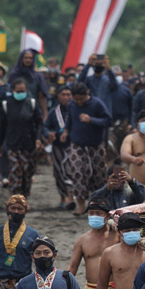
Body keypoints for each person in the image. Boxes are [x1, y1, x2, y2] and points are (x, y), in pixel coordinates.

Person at [60, 83, 112, 215]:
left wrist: (91, 120)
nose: (79, 101)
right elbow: (70, 120)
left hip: (95, 144)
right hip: (77, 144)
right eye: (76, 99)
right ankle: (81, 205)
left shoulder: (97, 104)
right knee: (77, 172)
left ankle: (98, 204)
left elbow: (108, 121)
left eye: (81, 99)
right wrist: (65, 131)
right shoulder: (72, 105)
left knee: (98, 175)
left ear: (87, 94)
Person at [0, 77, 44, 197]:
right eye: (18, 91)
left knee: (27, 173)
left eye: (23, 91)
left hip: (29, 145)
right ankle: (15, 197)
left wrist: (38, 138)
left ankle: (24, 197)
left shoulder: (32, 103)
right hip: (13, 145)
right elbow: (2, 126)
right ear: (12, 91)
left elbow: (39, 123)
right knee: (15, 171)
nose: (21, 93)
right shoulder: (6, 105)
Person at [68, 198, 121, 289]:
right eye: (91, 213)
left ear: (107, 215)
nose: (94, 216)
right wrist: (62, 284)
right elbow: (73, 266)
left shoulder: (117, 236)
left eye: (98, 213)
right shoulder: (82, 240)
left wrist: (120, 228)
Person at [43, 83, 74, 209]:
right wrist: (48, 134)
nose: (66, 97)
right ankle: (63, 198)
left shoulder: (76, 110)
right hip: (57, 146)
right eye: (63, 95)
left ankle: (71, 198)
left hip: (73, 146)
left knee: (70, 170)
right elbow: (45, 127)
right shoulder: (53, 112)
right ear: (58, 96)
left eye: (68, 94)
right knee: (58, 172)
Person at [8, 49, 49, 117]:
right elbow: (9, 92)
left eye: (30, 58)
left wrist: (45, 113)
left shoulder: (37, 76)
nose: (28, 60)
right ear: (21, 59)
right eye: (26, 58)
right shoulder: (14, 74)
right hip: (15, 110)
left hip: (33, 111)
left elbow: (41, 96)